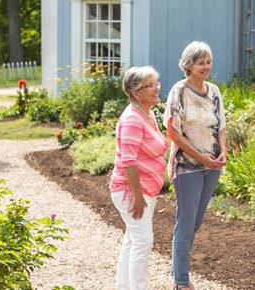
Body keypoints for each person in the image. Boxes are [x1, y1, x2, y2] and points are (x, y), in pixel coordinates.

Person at [163, 41, 227, 290]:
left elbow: (221, 126)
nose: (206, 66)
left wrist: (223, 152)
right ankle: (181, 281)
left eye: (208, 62)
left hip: (212, 166)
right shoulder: (179, 91)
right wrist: (201, 157)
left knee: (196, 222)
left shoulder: (214, 91)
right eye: (201, 62)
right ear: (188, 65)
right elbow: (173, 132)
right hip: (187, 166)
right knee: (186, 222)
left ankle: (176, 268)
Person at [109, 66, 167, 290]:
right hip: (131, 191)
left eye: (156, 83)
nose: (156, 88)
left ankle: (122, 286)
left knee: (132, 240)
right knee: (143, 242)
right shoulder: (133, 119)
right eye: (149, 85)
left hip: (144, 190)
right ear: (135, 93)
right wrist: (138, 195)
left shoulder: (148, 113)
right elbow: (129, 161)